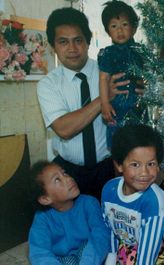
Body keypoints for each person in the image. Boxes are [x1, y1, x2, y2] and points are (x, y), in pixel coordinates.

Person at [37, 7, 131, 200]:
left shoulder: (110, 72)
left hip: (109, 168)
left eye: (78, 40)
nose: (72, 49)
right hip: (68, 174)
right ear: (53, 46)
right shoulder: (48, 84)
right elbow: (64, 128)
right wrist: (105, 97)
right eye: (63, 42)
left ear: (88, 41)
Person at [101, 124, 164, 265]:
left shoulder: (154, 200)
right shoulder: (109, 189)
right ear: (119, 165)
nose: (144, 173)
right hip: (126, 251)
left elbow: (148, 256)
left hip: (155, 256)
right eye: (135, 165)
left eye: (150, 164)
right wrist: (111, 259)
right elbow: (110, 230)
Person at [28, 161, 110, 265]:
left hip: (90, 257)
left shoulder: (89, 203)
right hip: (62, 260)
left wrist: (87, 262)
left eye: (64, 173)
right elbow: (39, 253)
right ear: (45, 199)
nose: (68, 179)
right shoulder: (42, 218)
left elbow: (100, 235)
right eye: (57, 180)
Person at [98, 0, 145, 149]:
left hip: (138, 106)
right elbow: (103, 78)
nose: (119, 31)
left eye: (124, 25)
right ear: (107, 31)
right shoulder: (108, 54)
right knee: (118, 145)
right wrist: (104, 103)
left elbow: (150, 75)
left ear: (134, 27)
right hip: (116, 107)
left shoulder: (141, 51)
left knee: (139, 142)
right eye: (114, 26)